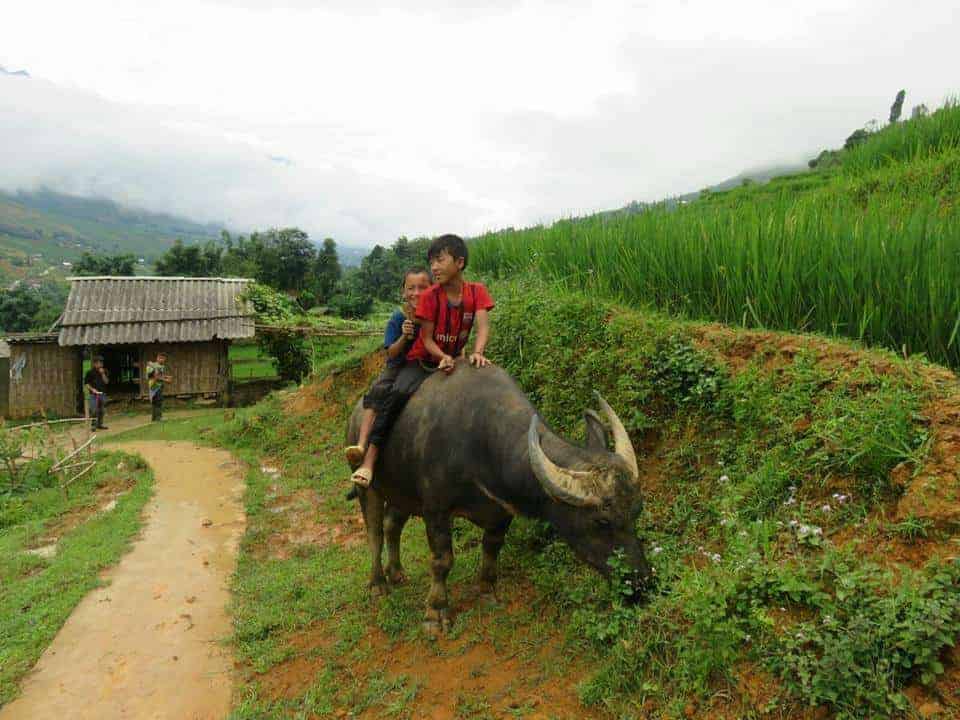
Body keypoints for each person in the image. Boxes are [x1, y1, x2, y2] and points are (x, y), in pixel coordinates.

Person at [350, 234, 494, 486]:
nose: (434, 267)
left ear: (459, 262)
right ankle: (370, 460)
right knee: (395, 395)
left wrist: (478, 352)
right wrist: (442, 356)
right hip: (423, 362)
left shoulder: (477, 292)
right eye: (432, 262)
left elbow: (482, 327)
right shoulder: (430, 296)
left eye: (440, 260)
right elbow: (426, 339)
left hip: (455, 360)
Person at [345, 267, 431, 467]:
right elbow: (391, 352)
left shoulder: (433, 314)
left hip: (423, 364)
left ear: (432, 289)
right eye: (411, 288)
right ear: (403, 292)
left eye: (422, 287)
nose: (416, 293)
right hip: (398, 365)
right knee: (379, 390)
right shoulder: (399, 317)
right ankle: (362, 443)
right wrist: (404, 336)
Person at [84, 355, 109, 431]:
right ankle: (93, 425)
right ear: (95, 363)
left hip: (102, 393)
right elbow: (86, 383)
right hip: (93, 394)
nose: (101, 364)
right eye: (99, 362)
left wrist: (103, 374)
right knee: (94, 410)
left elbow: (106, 382)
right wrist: (92, 389)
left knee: (102, 410)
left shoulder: (104, 371)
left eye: (102, 362)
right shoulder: (90, 372)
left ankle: (100, 424)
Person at [146, 352, 171, 422]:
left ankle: (154, 418)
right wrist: (166, 380)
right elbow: (155, 377)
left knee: (155, 402)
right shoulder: (152, 365)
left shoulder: (161, 366)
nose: (162, 360)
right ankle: (159, 418)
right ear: (157, 358)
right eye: (160, 358)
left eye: (163, 358)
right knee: (158, 402)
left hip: (159, 386)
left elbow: (159, 375)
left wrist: (166, 377)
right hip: (154, 386)